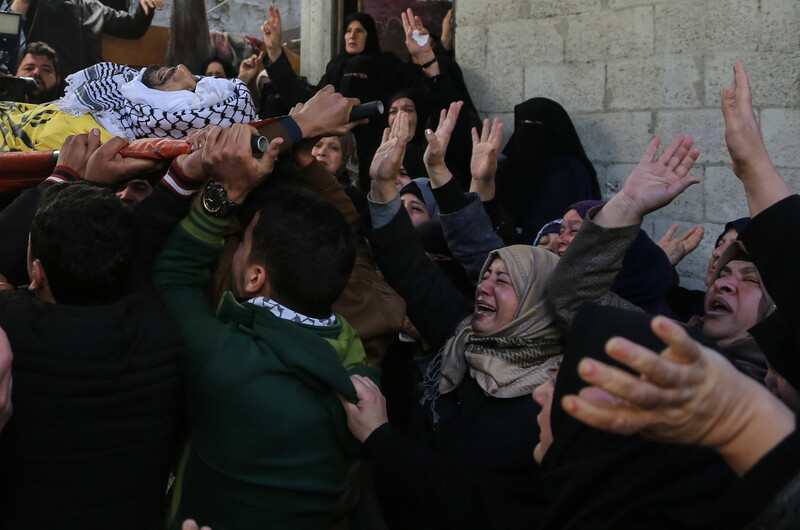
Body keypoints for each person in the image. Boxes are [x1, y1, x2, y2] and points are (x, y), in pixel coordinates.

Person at [337, 105, 563, 529]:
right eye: (485, 275)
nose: (484, 287)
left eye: (504, 282)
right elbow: (409, 267)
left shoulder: (551, 404)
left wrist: (383, 441)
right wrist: (384, 186)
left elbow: (478, 505)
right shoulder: (463, 334)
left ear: (537, 303)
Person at [152, 122, 380, 529]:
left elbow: (173, 276)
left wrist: (227, 194)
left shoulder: (229, 361)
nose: (235, 248)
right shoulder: (358, 368)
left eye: (242, 243)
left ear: (255, 277)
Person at [0, 145, 185, 527]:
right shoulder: (163, 329)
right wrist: (184, 176)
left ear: (36, 276)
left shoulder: (13, 328)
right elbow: (144, 240)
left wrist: (65, 175)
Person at [0, 60, 258, 151]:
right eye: (200, 82)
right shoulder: (107, 100)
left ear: (176, 121)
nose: (180, 70)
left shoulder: (96, 143)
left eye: (193, 94)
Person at [495, 97, 602, 243]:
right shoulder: (504, 168)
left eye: (536, 124)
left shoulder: (568, 171)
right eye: (522, 124)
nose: (527, 131)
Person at [8, 0, 164, 79]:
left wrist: (146, 7)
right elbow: (8, 29)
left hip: (89, 85)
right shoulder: (37, 4)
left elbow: (133, 28)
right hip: (46, 83)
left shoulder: (93, 7)